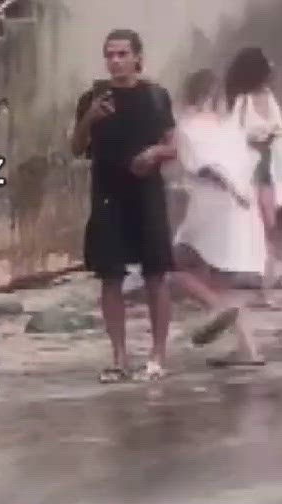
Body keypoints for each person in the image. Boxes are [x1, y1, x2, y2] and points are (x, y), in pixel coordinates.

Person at [69, 28, 177, 383]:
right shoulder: (93, 98)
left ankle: (158, 354)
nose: (115, 61)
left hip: (146, 192)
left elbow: (173, 146)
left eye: (122, 54)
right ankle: (119, 356)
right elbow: (75, 147)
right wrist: (90, 118)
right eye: (110, 55)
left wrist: (154, 153)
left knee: (155, 274)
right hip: (107, 192)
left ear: (137, 58)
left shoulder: (156, 97)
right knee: (110, 275)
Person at [169, 68, 266, 366]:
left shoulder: (188, 126)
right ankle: (249, 351)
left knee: (172, 263)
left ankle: (214, 308)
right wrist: (242, 193)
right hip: (240, 207)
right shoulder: (230, 127)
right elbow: (249, 162)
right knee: (223, 279)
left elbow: (205, 167)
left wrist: (229, 187)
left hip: (211, 203)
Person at [222, 47, 282, 301]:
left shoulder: (269, 97)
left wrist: (271, 137)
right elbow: (233, 134)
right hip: (248, 167)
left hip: (268, 164)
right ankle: (255, 273)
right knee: (253, 219)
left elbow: (278, 127)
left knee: (270, 221)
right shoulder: (242, 101)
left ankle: (265, 272)